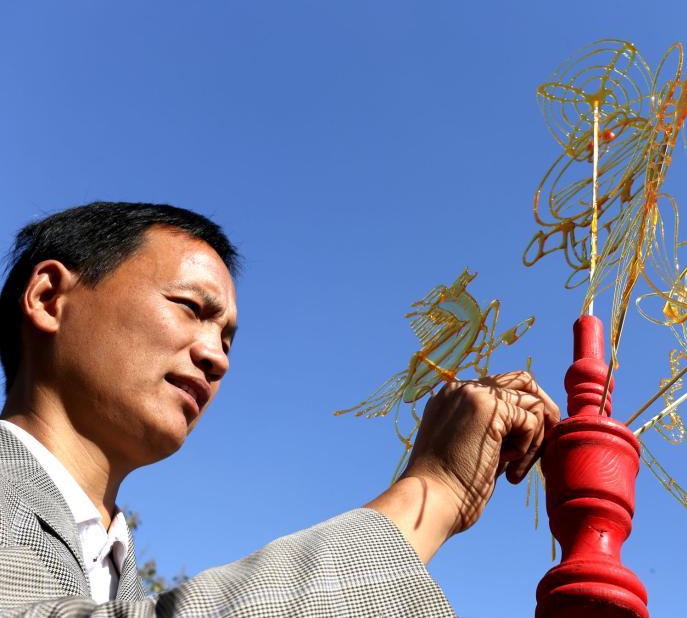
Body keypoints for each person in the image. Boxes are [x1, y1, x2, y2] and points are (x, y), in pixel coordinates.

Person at [0, 202, 560, 616]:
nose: (216, 357)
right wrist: (431, 493)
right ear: (49, 297)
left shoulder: (115, 572)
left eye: (228, 339)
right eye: (190, 307)